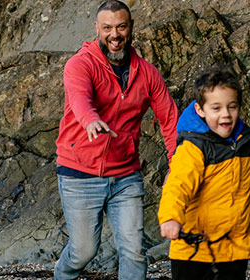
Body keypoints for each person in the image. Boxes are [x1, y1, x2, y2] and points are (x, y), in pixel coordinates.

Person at [54, 1, 179, 279]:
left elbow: (170, 121)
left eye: (121, 26)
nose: (115, 34)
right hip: (79, 174)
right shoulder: (79, 65)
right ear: (97, 29)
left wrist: (177, 166)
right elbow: (79, 97)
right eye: (108, 27)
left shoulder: (147, 73)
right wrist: (90, 120)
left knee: (134, 251)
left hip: (125, 176)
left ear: (130, 27)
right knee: (84, 251)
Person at [157, 70, 250, 280]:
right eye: (216, 108)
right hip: (195, 246)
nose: (225, 114)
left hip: (234, 243)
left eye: (231, 107)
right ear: (200, 109)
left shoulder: (244, 140)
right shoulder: (194, 147)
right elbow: (177, 185)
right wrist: (171, 218)